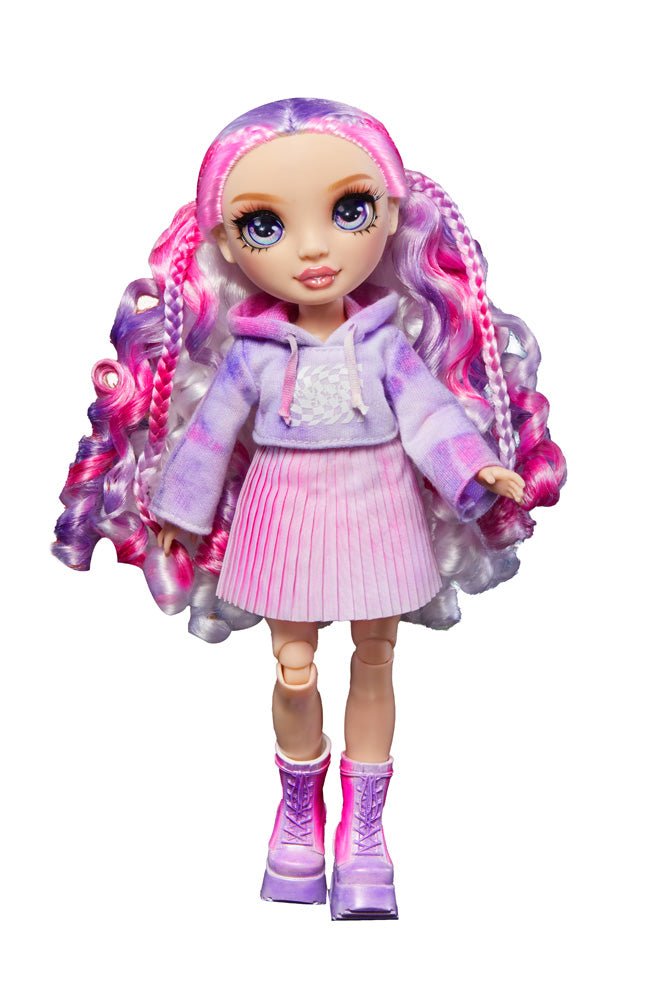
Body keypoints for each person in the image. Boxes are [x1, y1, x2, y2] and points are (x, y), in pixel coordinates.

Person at [53, 97, 566, 920]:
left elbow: (428, 414)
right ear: (227, 244)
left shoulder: (384, 342)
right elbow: (210, 434)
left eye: (348, 210)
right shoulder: (252, 354)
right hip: (283, 513)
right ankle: (297, 813)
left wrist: (475, 469)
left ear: (388, 216)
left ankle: (364, 832)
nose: (315, 247)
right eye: (266, 225)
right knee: (292, 666)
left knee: (375, 658)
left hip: (378, 507)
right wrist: (177, 511)